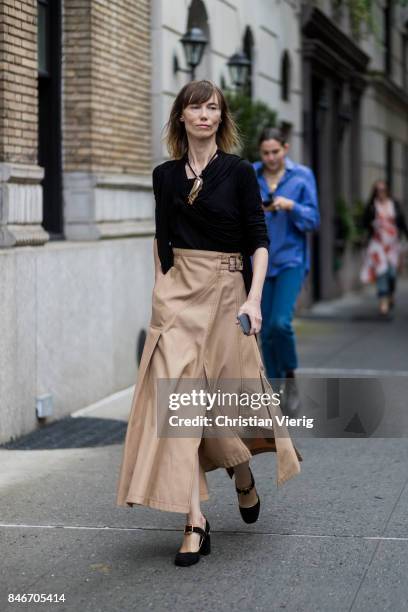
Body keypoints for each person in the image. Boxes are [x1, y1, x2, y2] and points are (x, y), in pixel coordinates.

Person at [116, 81, 302, 567]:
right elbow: (162, 240)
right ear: (181, 116)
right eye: (195, 107)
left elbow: (257, 239)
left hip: (227, 291)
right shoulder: (164, 176)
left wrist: (255, 299)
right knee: (181, 402)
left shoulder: (240, 173)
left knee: (220, 401)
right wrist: (159, 294)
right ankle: (194, 521)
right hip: (178, 296)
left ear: (221, 118)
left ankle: (242, 473)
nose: (204, 114)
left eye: (212, 107)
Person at [253, 128, 320, 416]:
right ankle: (275, 387)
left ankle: (290, 376)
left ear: (286, 148)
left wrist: (292, 206)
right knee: (265, 331)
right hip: (260, 261)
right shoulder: (250, 175)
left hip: (291, 260)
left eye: (275, 152)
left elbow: (313, 219)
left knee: (281, 323)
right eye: (265, 153)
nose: (270, 158)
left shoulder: (302, 176)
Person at [360, 179, 408, 316]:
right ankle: (383, 300)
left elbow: (402, 223)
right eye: (378, 191)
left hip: (392, 245)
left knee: (392, 273)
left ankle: (390, 294)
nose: (380, 193)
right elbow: (364, 223)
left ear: (387, 191)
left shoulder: (395, 205)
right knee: (381, 272)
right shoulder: (372, 206)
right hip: (378, 244)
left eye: (383, 190)